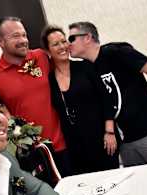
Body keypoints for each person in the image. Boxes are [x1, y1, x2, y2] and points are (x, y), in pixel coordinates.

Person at [68, 21, 147, 167]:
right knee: (138, 184)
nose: (68, 44)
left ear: (87, 37)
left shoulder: (116, 52)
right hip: (125, 140)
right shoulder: (88, 68)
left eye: (72, 39)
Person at [0, 17, 72, 176]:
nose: (23, 40)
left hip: (64, 146)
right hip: (33, 155)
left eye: (24, 35)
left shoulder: (41, 56)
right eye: (16, 36)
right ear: (0, 41)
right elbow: (2, 116)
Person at [41, 25, 119, 175]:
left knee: (112, 181)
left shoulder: (85, 66)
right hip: (75, 147)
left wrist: (109, 132)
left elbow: (107, 98)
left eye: (64, 41)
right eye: (56, 44)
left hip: (102, 139)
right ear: (47, 51)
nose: (63, 46)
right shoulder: (49, 80)